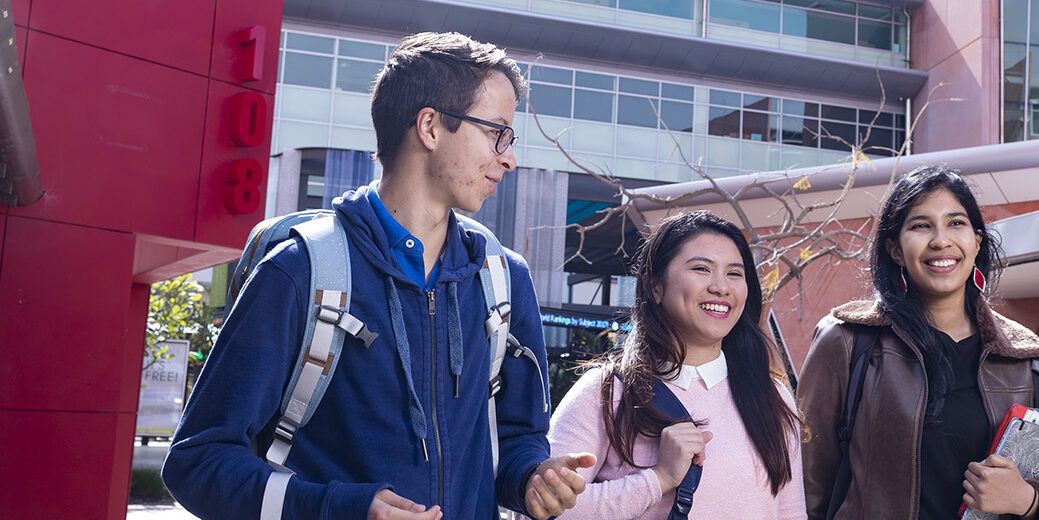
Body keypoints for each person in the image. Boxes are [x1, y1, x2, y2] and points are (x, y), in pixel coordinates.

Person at [162, 32, 594, 519]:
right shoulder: (299, 270)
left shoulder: (503, 280)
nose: (509, 157)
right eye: (498, 132)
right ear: (430, 127)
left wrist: (533, 479)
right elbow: (196, 462)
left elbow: (516, 440)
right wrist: (342, 508)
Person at [798, 165, 1039, 519]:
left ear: (977, 242)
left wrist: (1027, 502)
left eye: (955, 223)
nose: (941, 240)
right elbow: (806, 483)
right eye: (921, 225)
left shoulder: (1023, 356)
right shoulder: (847, 339)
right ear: (895, 250)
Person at [544, 210, 806, 519]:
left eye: (735, 274)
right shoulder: (605, 392)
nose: (721, 287)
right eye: (701, 268)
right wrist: (657, 479)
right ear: (655, 286)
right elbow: (543, 511)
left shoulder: (771, 395)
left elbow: (790, 512)